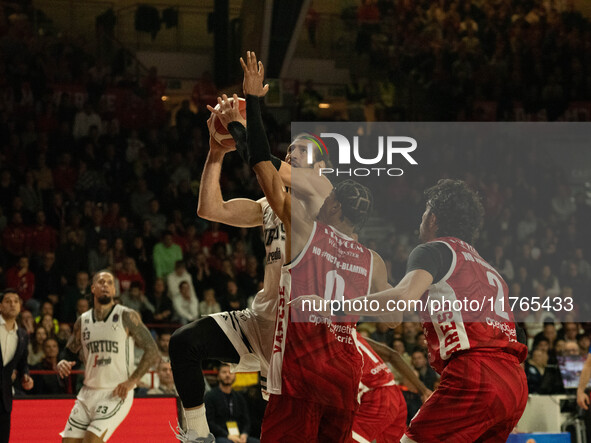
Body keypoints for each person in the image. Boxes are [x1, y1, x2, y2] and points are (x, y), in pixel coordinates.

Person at [239, 51, 394, 442]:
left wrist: (245, 115)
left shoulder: (309, 225)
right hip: (343, 379)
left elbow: (263, 165)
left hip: (303, 375)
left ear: (333, 201)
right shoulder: (370, 258)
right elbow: (393, 319)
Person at [299, 179, 528, 442]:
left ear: (434, 217)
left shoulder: (435, 250)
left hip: (475, 376)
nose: (421, 217)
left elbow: (403, 298)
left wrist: (332, 306)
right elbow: (516, 335)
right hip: (514, 383)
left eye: (425, 211)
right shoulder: (489, 270)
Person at [169, 84, 333, 442]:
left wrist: (239, 124)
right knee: (184, 343)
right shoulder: (270, 206)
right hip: (262, 320)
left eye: (301, 151)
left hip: (300, 336)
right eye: (290, 150)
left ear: (322, 167)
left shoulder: (324, 196)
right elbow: (210, 208)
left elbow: (262, 160)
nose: (291, 154)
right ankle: (197, 436)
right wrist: (215, 152)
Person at [57, 270, 160, 442]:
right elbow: (69, 350)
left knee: (91, 441)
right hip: (87, 392)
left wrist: (131, 381)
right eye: (101, 282)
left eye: (110, 283)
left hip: (115, 392)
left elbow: (152, 350)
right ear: (92, 288)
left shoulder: (126, 315)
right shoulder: (83, 321)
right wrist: (62, 361)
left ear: (114, 291)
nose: (105, 285)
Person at [0, 289, 34, 442]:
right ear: (0, 306)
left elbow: (22, 363)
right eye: (8, 301)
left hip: (5, 398)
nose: (13, 304)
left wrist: (25, 375)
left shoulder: (22, 335)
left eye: (16, 301)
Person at [204, 363, 259, 443]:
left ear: (235, 375)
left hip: (239, 435)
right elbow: (210, 422)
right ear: (218, 375)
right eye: (224, 372)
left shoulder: (239, 397)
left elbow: (246, 420)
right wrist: (227, 435)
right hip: (220, 436)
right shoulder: (210, 396)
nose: (227, 375)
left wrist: (244, 434)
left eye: (230, 372)